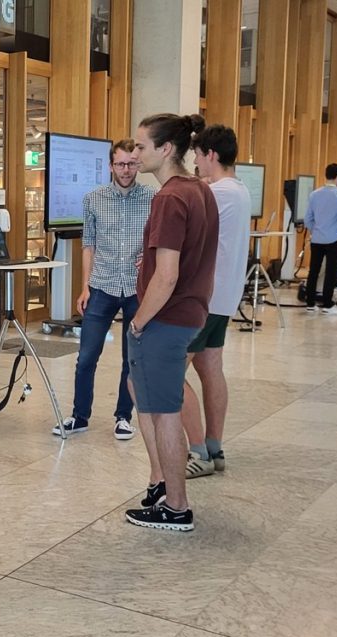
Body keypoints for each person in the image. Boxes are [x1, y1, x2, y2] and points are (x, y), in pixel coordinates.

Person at [124, 113, 218, 532]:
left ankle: (176, 506)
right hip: (191, 312)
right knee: (148, 396)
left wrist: (138, 322)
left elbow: (167, 276)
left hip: (165, 318)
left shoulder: (168, 198)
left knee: (164, 412)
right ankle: (163, 486)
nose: (134, 154)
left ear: (166, 149)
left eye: (141, 146)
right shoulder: (200, 190)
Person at [52, 139, 156, 440]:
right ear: (111, 166)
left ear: (138, 164)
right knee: (86, 357)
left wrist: (149, 256)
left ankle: (123, 417)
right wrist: (84, 287)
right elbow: (88, 245)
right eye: (120, 164)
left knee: (131, 358)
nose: (126, 170)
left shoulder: (153, 198)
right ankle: (79, 416)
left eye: (131, 164)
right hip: (102, 286)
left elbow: (158, 240)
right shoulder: (93, 199)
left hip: (137, 288)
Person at [180, 125, 251, 478]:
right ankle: (214, 447)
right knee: (210, 370)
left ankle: (198, 452)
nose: (195, 162)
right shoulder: (239, 190)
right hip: (224, 298)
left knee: (167, 373)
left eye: (197, 155)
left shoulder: (217, 192)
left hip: (202, 298)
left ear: (211, 154)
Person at [302, 164, 337, 315]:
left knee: (314, 271)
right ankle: (328, 305)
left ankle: (310, 303)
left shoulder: (314, 194)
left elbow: (307, 219)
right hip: (335, 239)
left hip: (317, 239)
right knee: (331, 271)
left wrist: (315, 231)